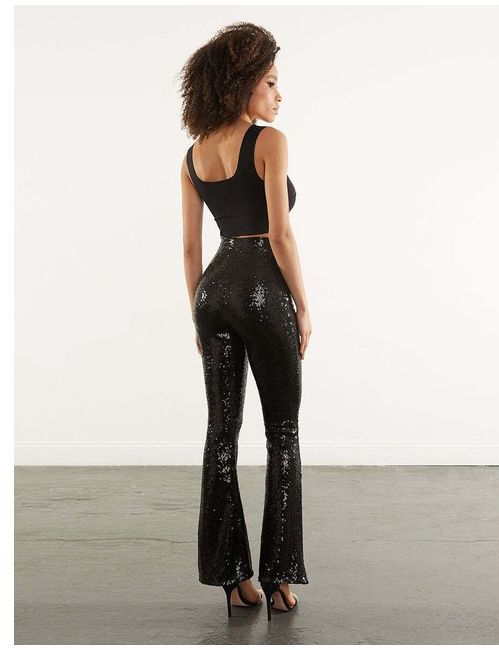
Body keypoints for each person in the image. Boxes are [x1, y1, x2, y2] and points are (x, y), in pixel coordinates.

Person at [179, 22, 312, 621]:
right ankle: (280, 579)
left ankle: (233, 579)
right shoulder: (269, 141)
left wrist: (197, 314)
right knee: (282, 432)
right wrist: (302, 305)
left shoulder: (192, 155)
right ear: (242, 85)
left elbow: (190, 248)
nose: (279, 95)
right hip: (261, 285)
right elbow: (280, 234)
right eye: (271, 82)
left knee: (221, 431)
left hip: (212, 289)